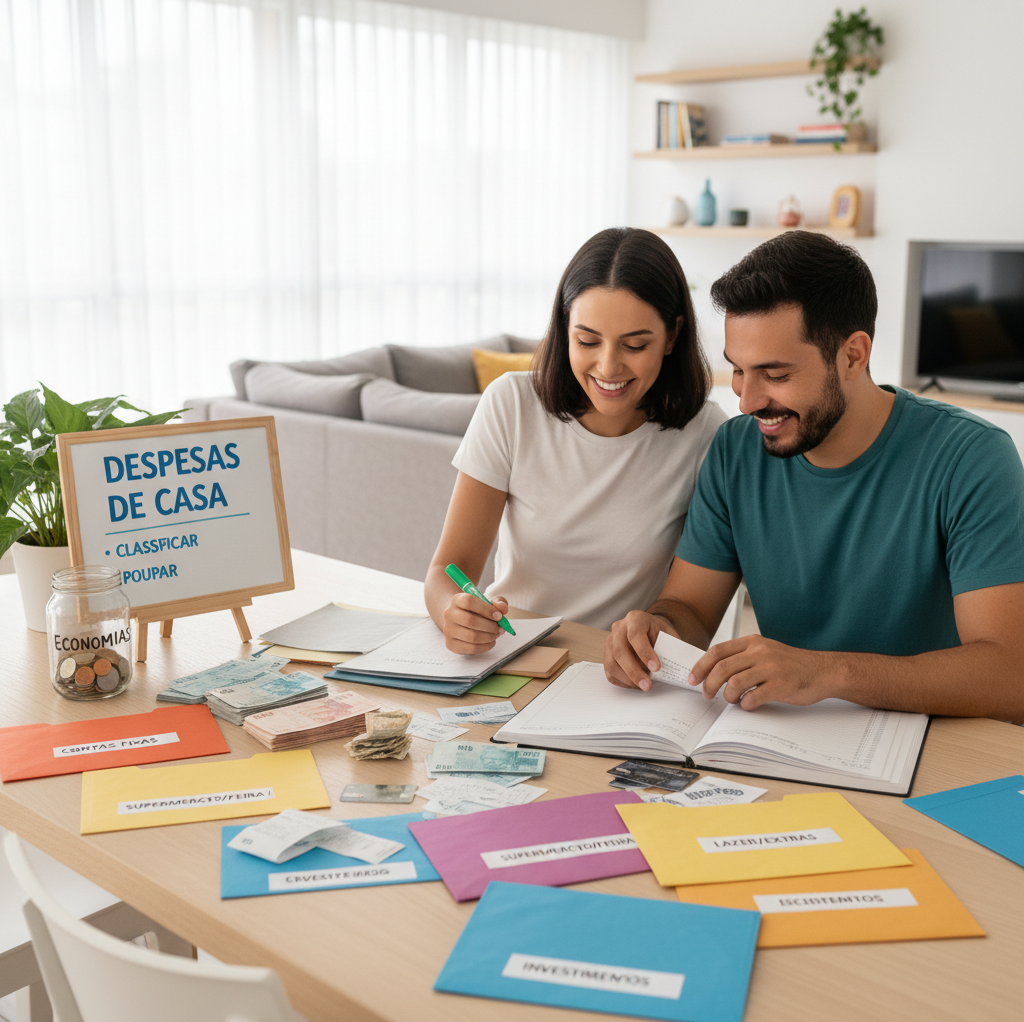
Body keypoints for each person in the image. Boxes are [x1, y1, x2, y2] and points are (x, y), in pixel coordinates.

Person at [605, 230, 1024, 721]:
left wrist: (825, 673)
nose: (747, 401)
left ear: (853, 355)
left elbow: (1009, 674)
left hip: (938, 745)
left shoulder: (972, 458)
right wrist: (655, 632)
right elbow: (690, 609)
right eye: (738, 370)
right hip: (790, 737)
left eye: (776, 375)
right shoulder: (735, 450)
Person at [425, 227, 727, 652]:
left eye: (635, 345)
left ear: (672, 336)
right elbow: (447, 569)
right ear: (565, 327)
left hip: (616, 673)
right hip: (512, 655)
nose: (608, 367)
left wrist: (658, 633)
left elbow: (691, 610)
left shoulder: (705, 434)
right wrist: (452, 613)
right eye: (587, 341)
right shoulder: (511, 404)